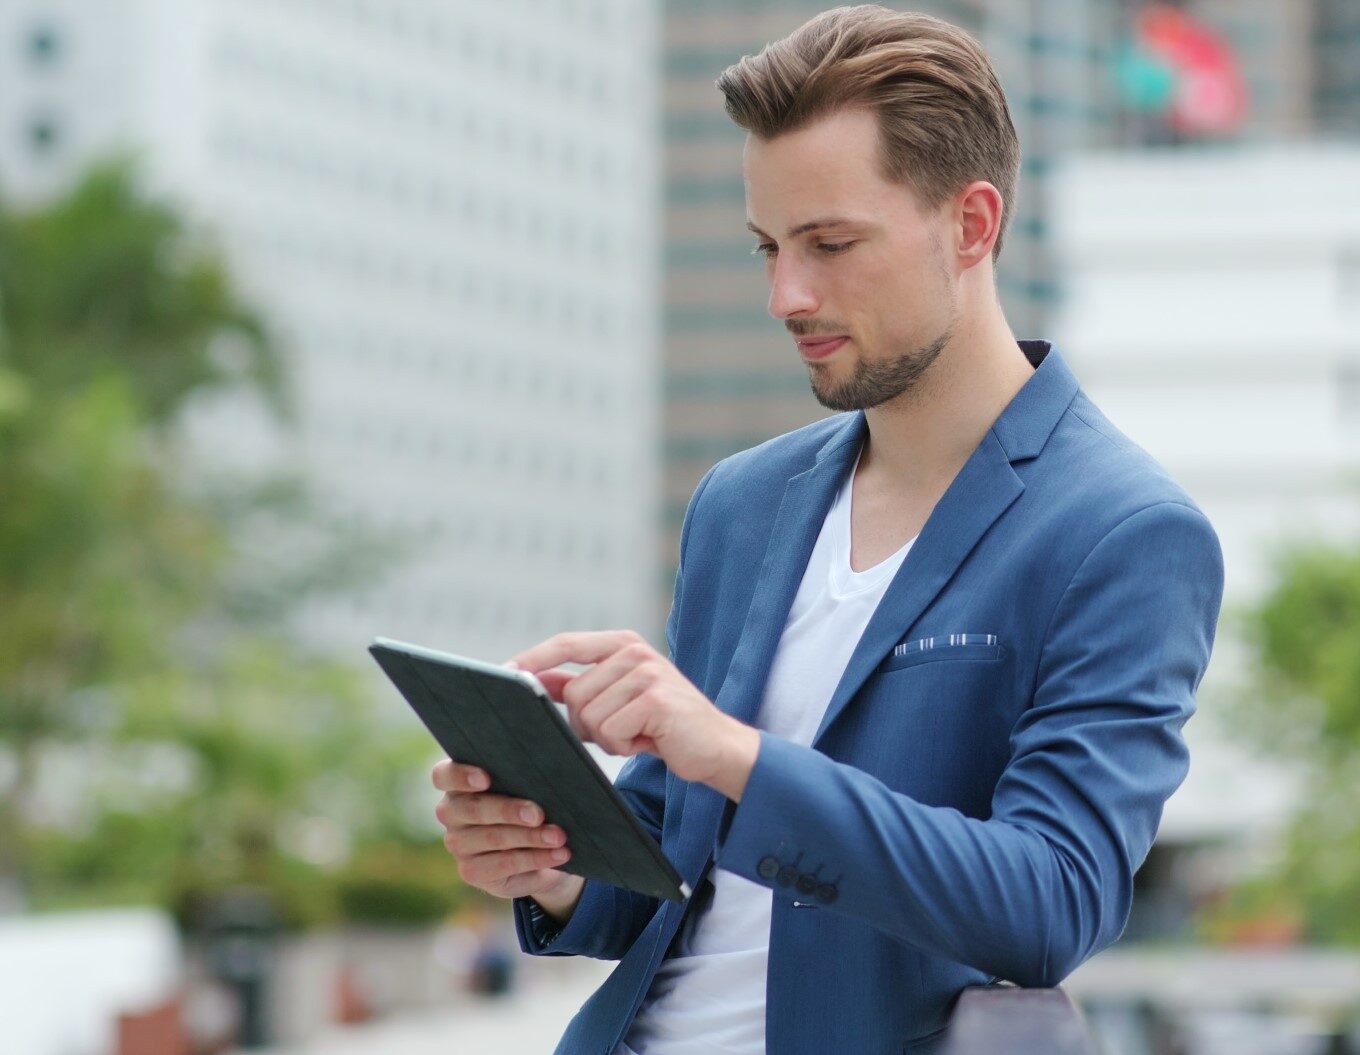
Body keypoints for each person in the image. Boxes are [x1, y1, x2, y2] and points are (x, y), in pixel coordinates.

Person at [431, 6, 1225, 1053]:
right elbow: (672, 871)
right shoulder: (741, 504)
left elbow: (1052, 900)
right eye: (767, 246)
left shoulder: (1122, 532)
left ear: (972, 224)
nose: (784, 294)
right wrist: (556, 865)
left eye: (830, 244)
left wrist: (730, 752)